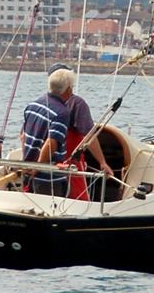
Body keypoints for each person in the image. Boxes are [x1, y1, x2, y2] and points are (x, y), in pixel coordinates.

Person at [48, 61, 114, 199]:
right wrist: (102, 162)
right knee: (79, 199)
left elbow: (24, 135)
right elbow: (89, 136)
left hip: (44, 161)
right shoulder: (77, 104)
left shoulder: (40, 102)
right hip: (70, 163)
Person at [21, 67, 73, 195]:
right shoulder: (62, 113)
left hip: (28, 170)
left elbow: (23, 136)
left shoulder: (33, 105)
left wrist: (27, 161)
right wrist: (38, 167)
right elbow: (51, 144)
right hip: (47, 177)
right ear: (68, 89)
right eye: (72, 87)